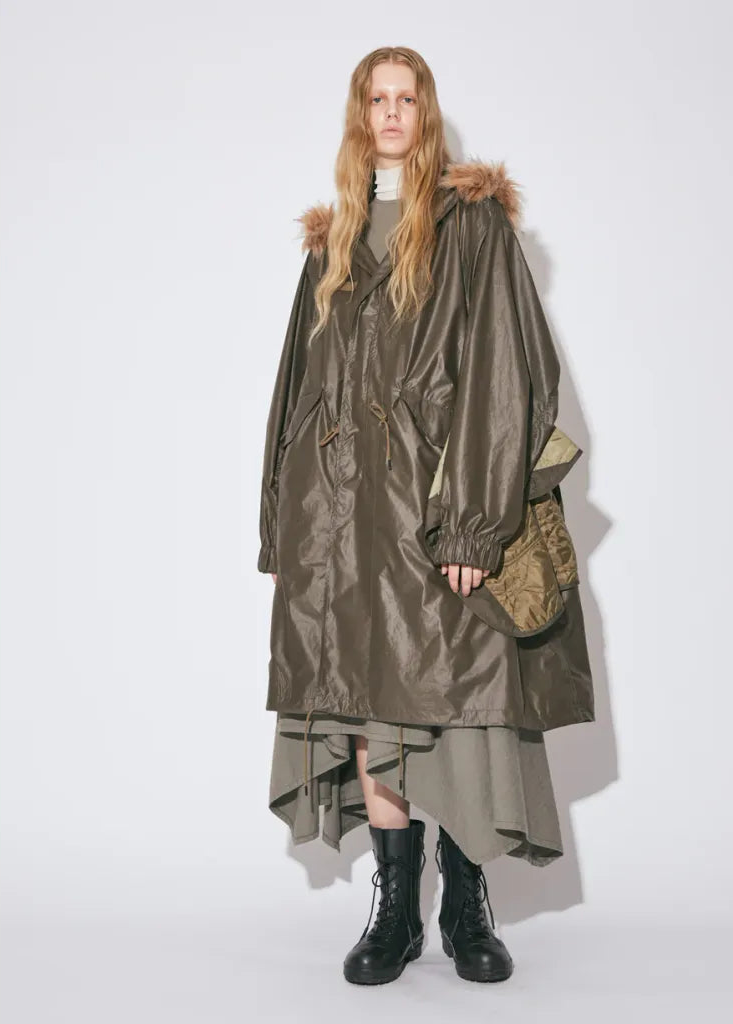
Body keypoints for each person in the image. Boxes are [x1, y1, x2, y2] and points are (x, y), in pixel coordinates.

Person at [257, 46, 595, 986]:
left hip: (437, 518)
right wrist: (284, 526)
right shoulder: (332, 244)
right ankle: (397, 909)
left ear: (427, 111)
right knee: (369, 707)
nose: (393, 113)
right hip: (341, 523)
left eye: (407, 98)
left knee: (461, 707)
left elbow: (508, 376)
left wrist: (475, 525)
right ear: (360, 115)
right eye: (378, 99)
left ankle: (467, 905)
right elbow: (293, 393)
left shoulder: (472, 226)